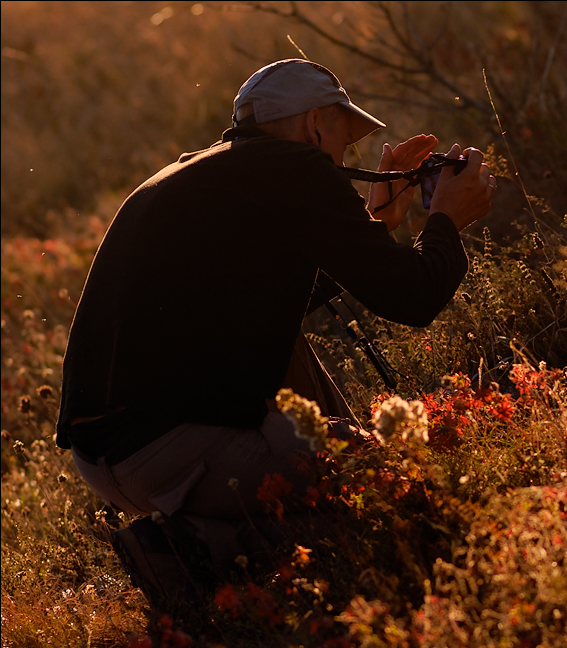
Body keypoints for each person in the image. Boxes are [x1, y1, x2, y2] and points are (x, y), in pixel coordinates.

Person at [55, 59, 496, 605]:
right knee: (385, 497)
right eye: (344, 137)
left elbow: (258, 302)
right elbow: (414, 298)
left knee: (288, 342)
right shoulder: (297, 169)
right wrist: (447, 220)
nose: (345, 157)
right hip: (173, 448)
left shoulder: (200, 173)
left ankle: (191, 539)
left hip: (106, 458)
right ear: (315, 125)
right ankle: (200, 549)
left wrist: (375, 226)